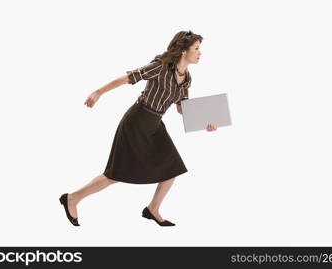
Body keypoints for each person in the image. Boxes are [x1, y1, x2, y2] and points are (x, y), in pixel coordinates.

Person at [59, 30, 217, 227]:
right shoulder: (160, 67)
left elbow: (181, 108)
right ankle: (72, 198)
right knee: (115, 174)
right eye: (196, 48)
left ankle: (153, 209)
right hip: (137, 122)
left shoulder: (186, 78)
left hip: (156, 125)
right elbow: (129, 77)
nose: (200, 52)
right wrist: (98, 92)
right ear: (184, 51)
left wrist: (205, 123)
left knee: (172, 168)